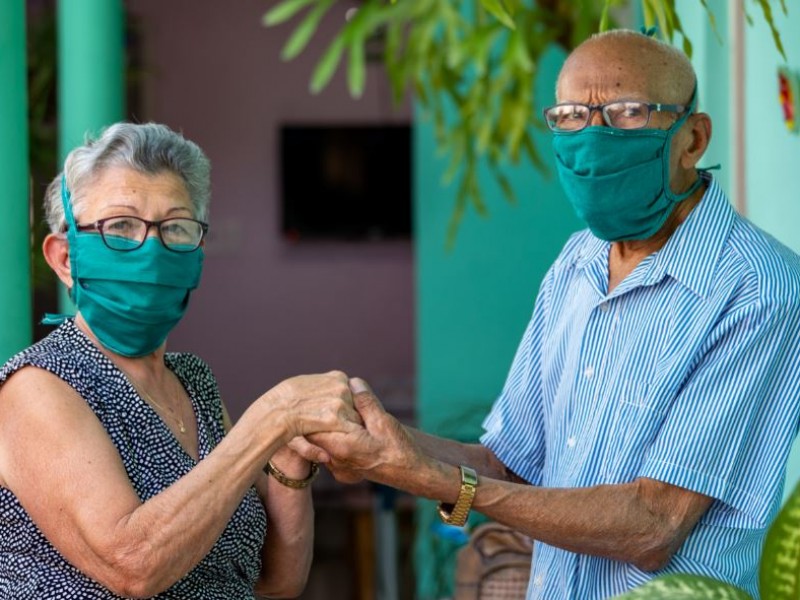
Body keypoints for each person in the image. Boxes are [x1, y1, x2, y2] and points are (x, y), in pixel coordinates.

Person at [295, 30, 800, 599]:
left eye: (628, 112)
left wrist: (440, 481)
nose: (593, 138)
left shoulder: (759, 288)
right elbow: (511, 464)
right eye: (569, 116)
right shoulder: (575, 261)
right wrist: (383, 446)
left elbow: (655, 524)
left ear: (693, 138)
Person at [0, 122, 363, 599]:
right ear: (65, 258)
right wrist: (269, 422)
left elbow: (274, 584)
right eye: (121, 228)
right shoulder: (38, 386)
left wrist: (288, 459)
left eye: (174, 227)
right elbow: (133, 566)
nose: (151, 250)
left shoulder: (194, 381)